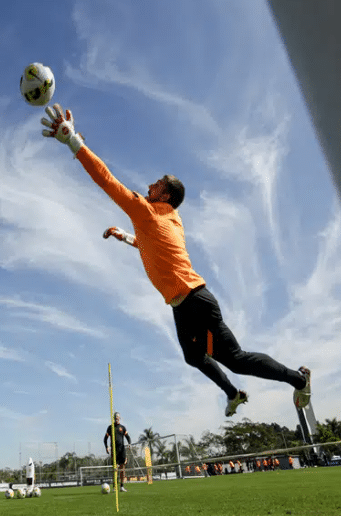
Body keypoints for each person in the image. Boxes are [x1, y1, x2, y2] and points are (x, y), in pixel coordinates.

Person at [41, 104, 312, 417]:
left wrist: (74, 141)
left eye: (156, 184)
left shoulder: (149, 214)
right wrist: (127, 238)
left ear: (165, 195)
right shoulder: (168, 219)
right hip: (183, 307)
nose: (148, 186)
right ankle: (233, 393)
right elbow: (155, 249)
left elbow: (107, 180)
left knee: (235, 358)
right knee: (194, 357)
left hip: (196, 303)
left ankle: (298, 379)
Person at [103, 412, 131, 492]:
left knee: (122, 469)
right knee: (115, 469)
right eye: (115, 417)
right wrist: (107, 447)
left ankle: (122, 486)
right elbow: (105, 439)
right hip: (114, 451)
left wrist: (129, 444)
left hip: (122, 449)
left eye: (118, 417)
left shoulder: (122, 427)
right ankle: (114, 487)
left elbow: (128, 437)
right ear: (114, 418)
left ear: (120, 418)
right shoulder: (110, 427)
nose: (117, 418)